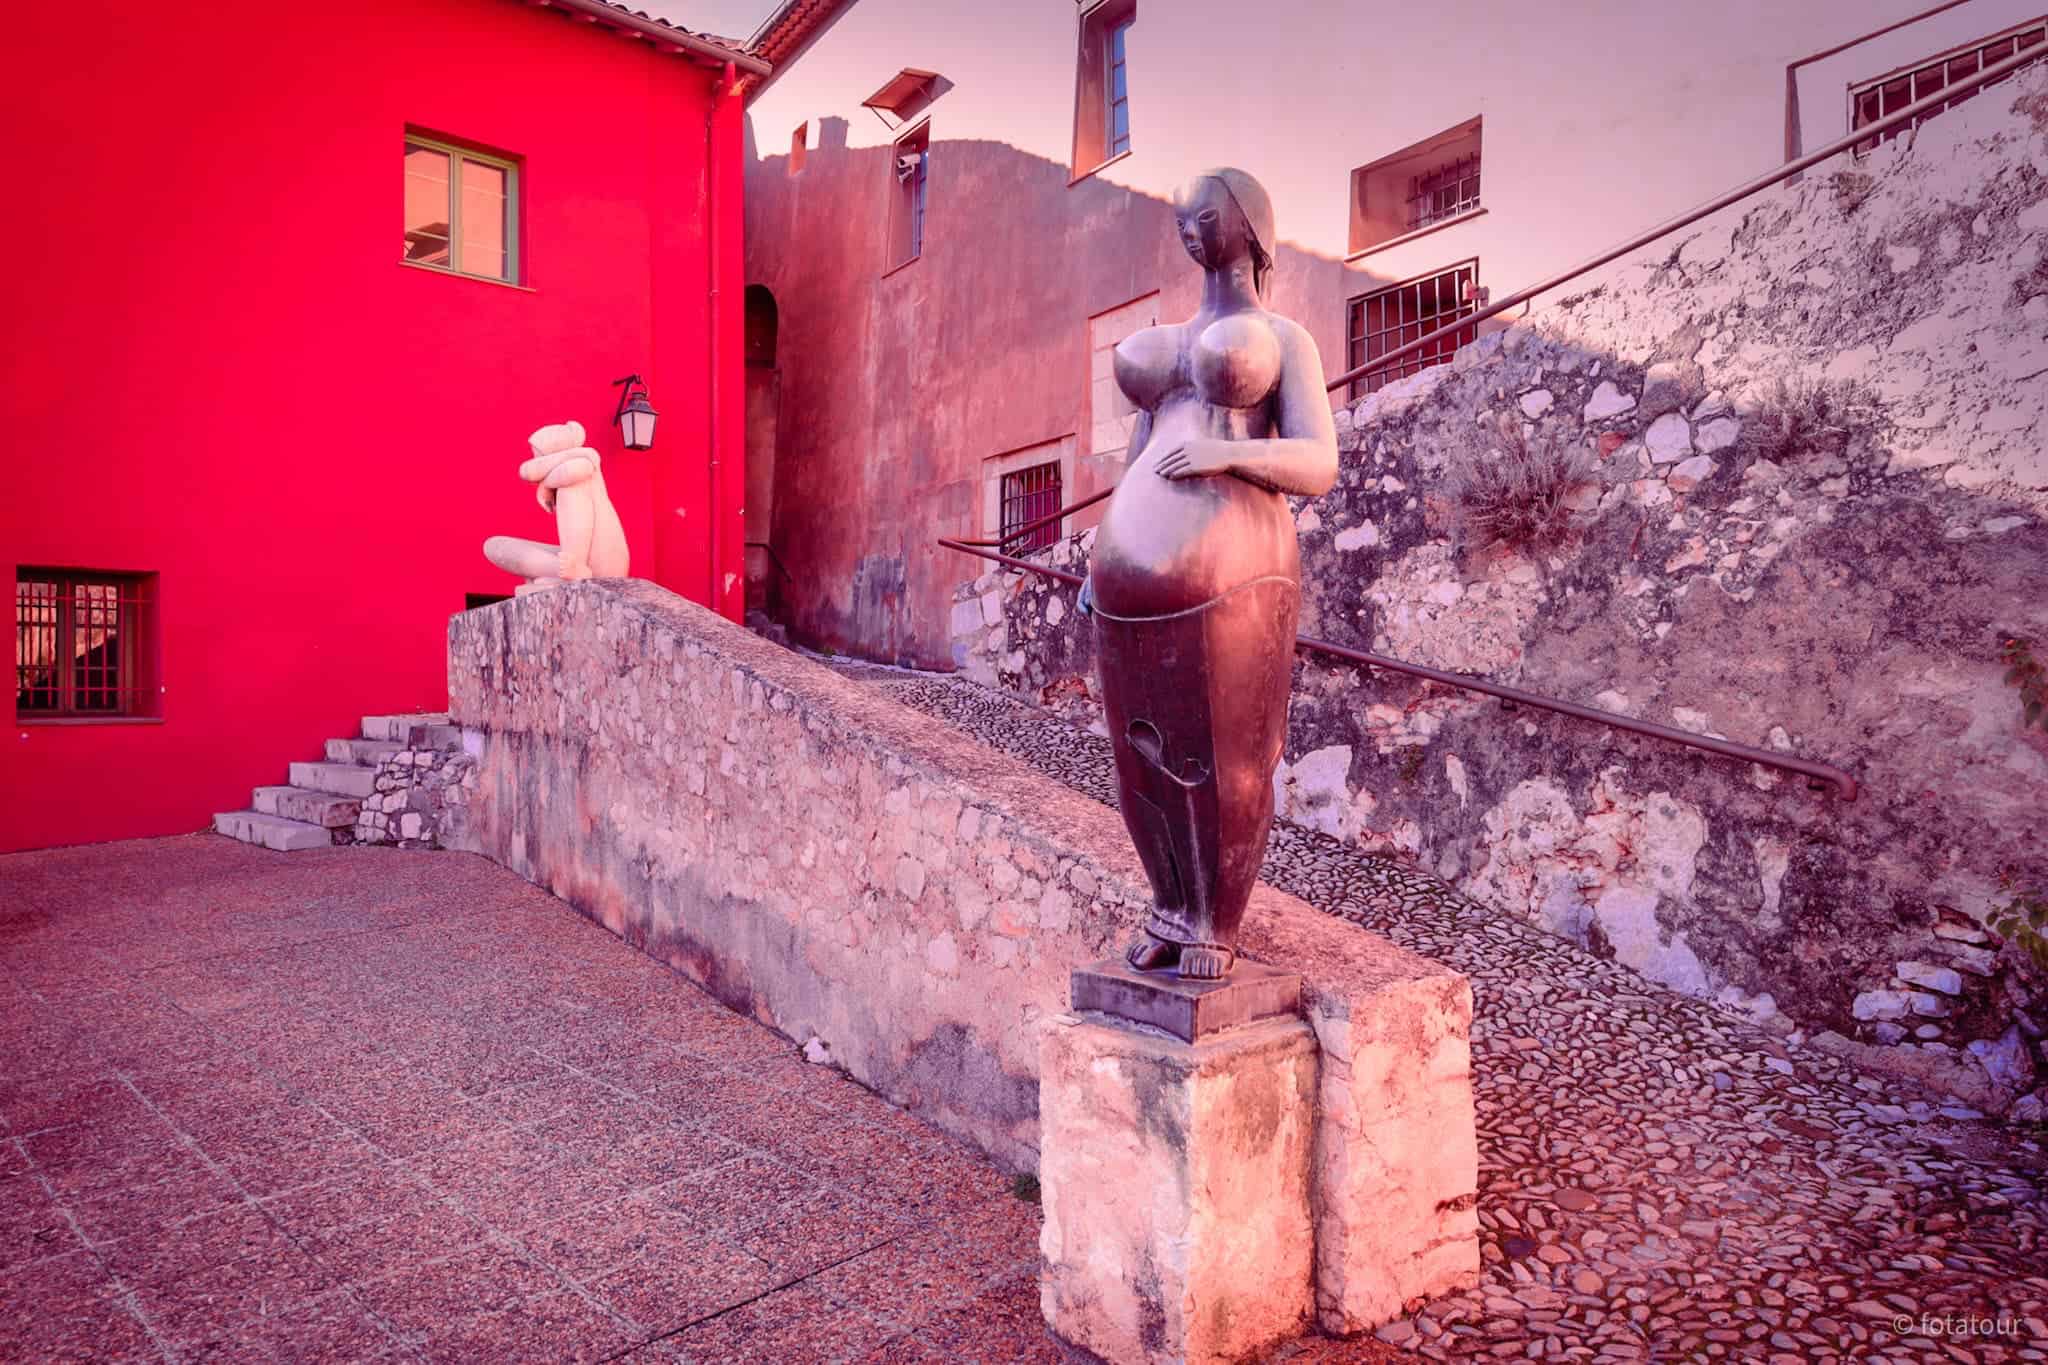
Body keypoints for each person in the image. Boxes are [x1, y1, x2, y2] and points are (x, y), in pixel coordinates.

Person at [1079, 168, 1338, 980]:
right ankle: (1167, 902)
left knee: (1224, 754)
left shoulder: (1288, 339)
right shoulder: (1172, 339)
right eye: (1184, 215)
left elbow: (1319, 460)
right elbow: (1139, 456)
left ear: (1250, 226)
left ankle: (1214, 920)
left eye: (1207, 213)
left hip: (1237, 575)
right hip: (1129, 584)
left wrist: (1230, 453)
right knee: (1136, 754)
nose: (1191, 225)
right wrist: (1101, 551)